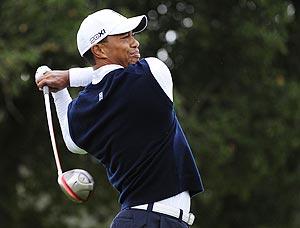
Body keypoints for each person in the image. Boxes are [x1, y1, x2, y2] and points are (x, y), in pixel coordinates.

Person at [36, 9, 204, 228]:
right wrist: (69, 76)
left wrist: (59, 89)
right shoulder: (152, 75)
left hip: (140, 219)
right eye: (125, 37)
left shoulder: (82, 110)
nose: (136, 43)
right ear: (99, 49)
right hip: (152, 220)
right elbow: (107, 76)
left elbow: (71, 142)